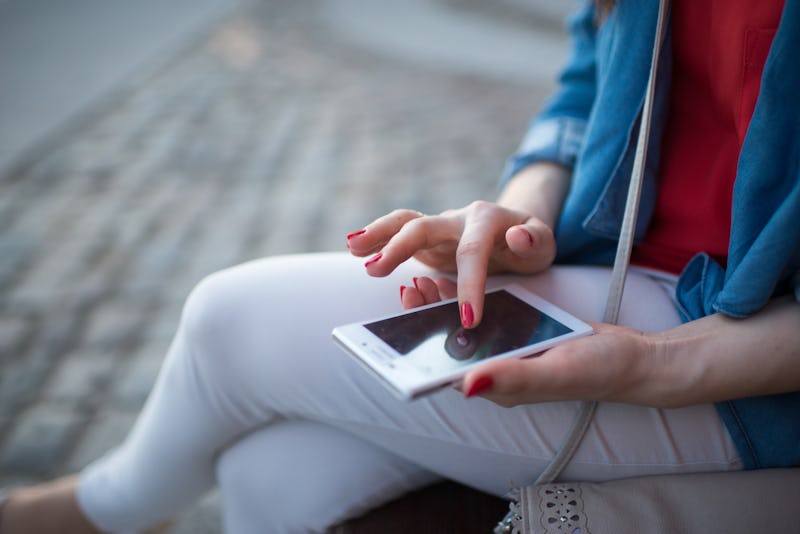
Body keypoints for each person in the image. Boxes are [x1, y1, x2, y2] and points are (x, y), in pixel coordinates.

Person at [2, 0, 799, 532]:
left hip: (746, 348)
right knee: (272, 475)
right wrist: (519, 215)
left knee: (228, 319)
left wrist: (661, 369)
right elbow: (585, 86)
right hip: (613, 272)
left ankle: (100, 508)